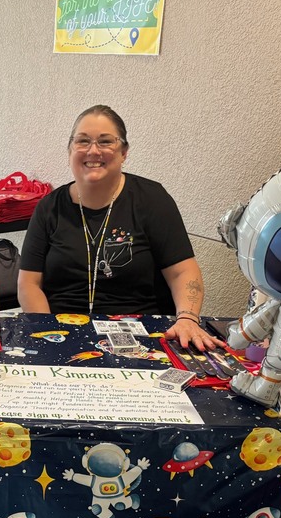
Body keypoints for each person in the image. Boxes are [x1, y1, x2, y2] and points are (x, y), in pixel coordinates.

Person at [18, 105, 218, 350]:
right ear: (70, 150)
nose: (93, 150)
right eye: (82, 141)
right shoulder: (49, 208)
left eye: (105, 142)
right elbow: (29, 283)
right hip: (61, 333)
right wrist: (48, 333)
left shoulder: (152, 200)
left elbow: (182, 272)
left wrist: (187, 318)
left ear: (124, 152)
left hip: (142, 336)